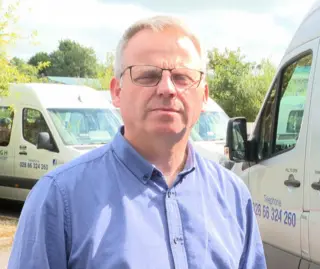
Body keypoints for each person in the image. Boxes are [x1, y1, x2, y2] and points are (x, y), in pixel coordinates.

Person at [8, 15, 266, 269]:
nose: (167, 88)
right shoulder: (59, 198)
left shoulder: (233, 196)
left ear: (204, 95)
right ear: (117, 92)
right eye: (147, 75)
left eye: (182, 77)